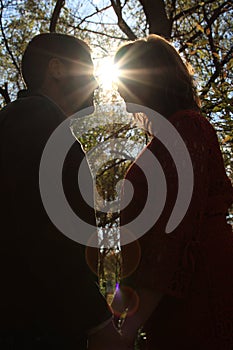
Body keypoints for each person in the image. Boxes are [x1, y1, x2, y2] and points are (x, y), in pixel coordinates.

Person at [0, 33, 126, 349]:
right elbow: (40, 232)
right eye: (88, 71)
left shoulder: (32, 121)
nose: (97, 84)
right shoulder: (35, 117)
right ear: (56, 69)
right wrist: (97, 322)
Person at [111, 34, 233, 350]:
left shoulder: (187, 128)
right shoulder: (169, 135)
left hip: (199, 291)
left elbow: (172, 233)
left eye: (125, 81)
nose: (120, 94)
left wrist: (126, 329)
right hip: (169, 297)